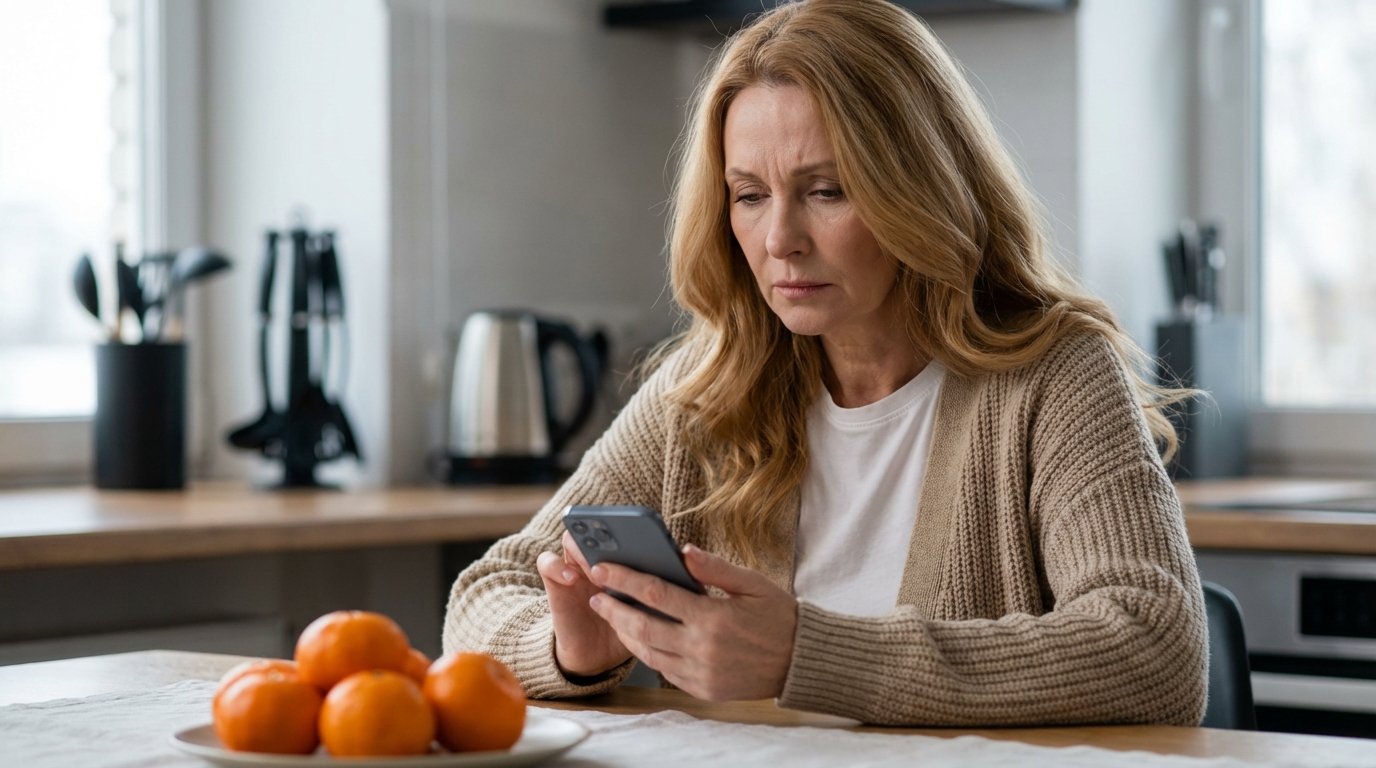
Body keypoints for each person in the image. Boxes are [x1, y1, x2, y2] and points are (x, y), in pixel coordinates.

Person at [443, 0, 1206, 727]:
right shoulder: (703, 393)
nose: (780, 239)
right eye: (748, 195)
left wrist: (807, 656)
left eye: (827, 191)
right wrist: (569, 650)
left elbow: (1155, 647)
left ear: (922, 189)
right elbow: (484, 595)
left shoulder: (1054, 374)